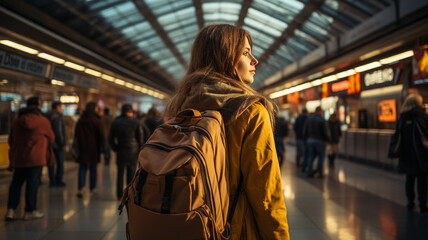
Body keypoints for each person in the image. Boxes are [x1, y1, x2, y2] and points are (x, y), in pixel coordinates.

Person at [165, 24, 289, 239]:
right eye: (245, 52)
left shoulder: (181, 106)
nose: (254, 60)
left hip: (189, 225)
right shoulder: (250, 111)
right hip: (233, 229)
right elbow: (266, 194)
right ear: (224, 58)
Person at [5, 97, 55, 220]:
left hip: (20, 158)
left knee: (16, 184)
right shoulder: (43, 121)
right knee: (32, 184)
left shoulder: (17, 121)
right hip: (36, 158)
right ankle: (29, 211)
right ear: (38, 106)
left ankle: (11, 210)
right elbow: (52, 138)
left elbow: (10, 139)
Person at [395, 93, 428, 212]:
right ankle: (423, 205)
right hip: (420, 153)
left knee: (409, 179)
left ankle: (410, 202)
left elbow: (398, 135)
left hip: (406, 153)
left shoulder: (402, 118)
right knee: (422, 179)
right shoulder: (422, 116)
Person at [109, 104, 142, 201]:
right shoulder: (136, 122)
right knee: (131, 174)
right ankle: (129, 194)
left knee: (120, 174)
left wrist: (115, 148)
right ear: (130, 111)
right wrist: (139, 149)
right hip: (133, 151)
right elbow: (140, 138)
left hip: (121, 150)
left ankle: (119, 195)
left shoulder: (116, 122)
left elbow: (111, 138)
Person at [74, 102, 104, 198]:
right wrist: (101, 148)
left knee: (82, 168)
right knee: (93, 168)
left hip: (82, 147)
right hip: (93, 148)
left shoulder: (80, 120)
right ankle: (92, 188)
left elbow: (76, 135)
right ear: (94, 108)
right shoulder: (97, 120)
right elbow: (101, 136)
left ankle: (81, 188)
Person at [303, 106, 329, 178]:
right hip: (320, 141)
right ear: (319, 111)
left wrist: (307, 139)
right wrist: (326, 140)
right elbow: (325, 132)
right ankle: (320, 172)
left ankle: (309, 172)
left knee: (310, 156)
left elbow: (305, 130)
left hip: (310, 140)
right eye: (321, 111)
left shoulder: (309, 119)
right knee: (321, 157)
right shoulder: (321, 120)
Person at [46, 101, 67, 187]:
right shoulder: (57, 117)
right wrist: (62, 144)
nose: (61, 109)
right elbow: (59, 132)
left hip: (50, 143)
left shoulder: (47, 116)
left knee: (51, 162)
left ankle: (52, 180)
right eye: (60, 107)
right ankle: (58, 179)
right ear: (57, 107)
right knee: (60, 163)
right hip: (57, 145)